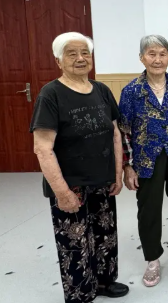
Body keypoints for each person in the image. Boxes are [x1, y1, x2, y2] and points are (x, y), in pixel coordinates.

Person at [30, 32, 129, 303]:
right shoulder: (51, 94)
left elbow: (115, 133)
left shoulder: (101, 90)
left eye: (85, 52)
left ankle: (105, 281)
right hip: (70, 183)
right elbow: (43, 148)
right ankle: (80, 293)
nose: (80, 58)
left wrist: (117, 173)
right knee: (75, 241)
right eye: (71, 53)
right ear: (58, 61)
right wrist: (61, 192)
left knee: (105, 234)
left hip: (102, 179)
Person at [118, 35, 168, 287]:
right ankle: (152, 259)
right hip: (146, 159)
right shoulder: (131, 91)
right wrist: (127, 166)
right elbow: (124, 130)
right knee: (149, 209)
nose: (157, 59)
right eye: (151, 54)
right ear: (142, 58)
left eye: (162, 54)